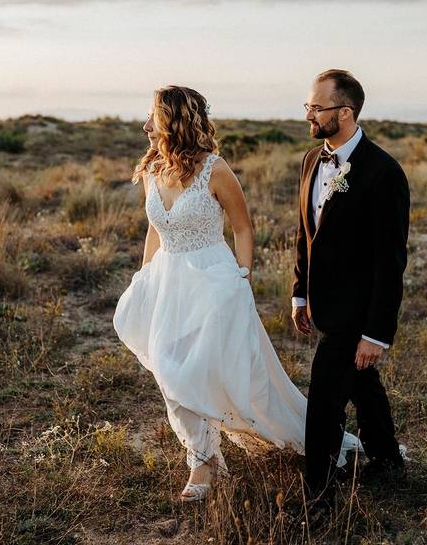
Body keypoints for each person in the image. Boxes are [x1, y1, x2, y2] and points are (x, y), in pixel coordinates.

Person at [113, 85, 362, 502]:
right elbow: (154, 231)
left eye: (152, 117)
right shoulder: (153, 171)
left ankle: (207, 463)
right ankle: (204, 457)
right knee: (171, 371)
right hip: (168, 281)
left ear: (173, 121)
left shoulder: (216, 169)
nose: (145, 125)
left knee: (216, 373)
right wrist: (144, 279)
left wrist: (241, 277)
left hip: (213, 281)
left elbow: (243, 226)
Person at [291, 69, 410, 509]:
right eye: (308, 106)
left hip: (357, 313)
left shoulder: (384, 174)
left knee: (323, 401)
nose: (309, 115)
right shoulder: (310, 160)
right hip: (322, 304)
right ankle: (386, 457)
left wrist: (375, 334)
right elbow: (305, 234)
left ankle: (316, 495)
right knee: (362, 382)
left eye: (316, 108)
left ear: (345, 112)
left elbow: (390, 262)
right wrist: (300, 293)